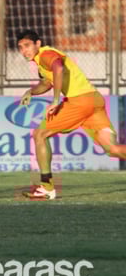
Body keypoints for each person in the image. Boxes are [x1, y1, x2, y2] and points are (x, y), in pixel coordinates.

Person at [16, 30, 126, 199]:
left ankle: (46, 187)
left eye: (27, 46)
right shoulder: (41, 62)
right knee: (112, 149)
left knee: (39, 134)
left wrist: (55, 101)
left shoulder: (46, 54)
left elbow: (58, 68)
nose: (24, 51)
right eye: (20, 47)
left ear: (38, 44)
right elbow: (47, 82)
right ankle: (46, 187)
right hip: (94, 101)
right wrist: (31, 91)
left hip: (78, 102)